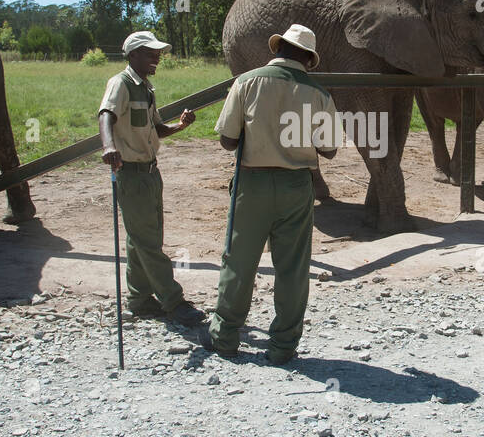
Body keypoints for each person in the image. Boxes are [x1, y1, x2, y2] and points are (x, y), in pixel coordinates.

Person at [205, 24, 339, 364]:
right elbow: (329, 150)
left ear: (278, 48)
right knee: (293, 268)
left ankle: (225, 337)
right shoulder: (320, 94)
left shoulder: (247, 82)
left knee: (238, 261)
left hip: (252, 184)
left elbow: (227, 140)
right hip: (296, 186)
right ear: (308, 58)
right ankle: (282, 347)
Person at [99, 31, 206, 327]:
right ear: (133, 55)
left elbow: (156, 129)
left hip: (150, 173)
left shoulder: (145, 88)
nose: (156, 57)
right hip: (130, 175)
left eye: (158, 53)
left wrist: (181, 126)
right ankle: (174, 301)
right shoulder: (120, 84)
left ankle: (139, 299)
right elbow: (106, 114)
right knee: (147, 241)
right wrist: (109, 146)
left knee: (141, 240)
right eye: (150, 53)